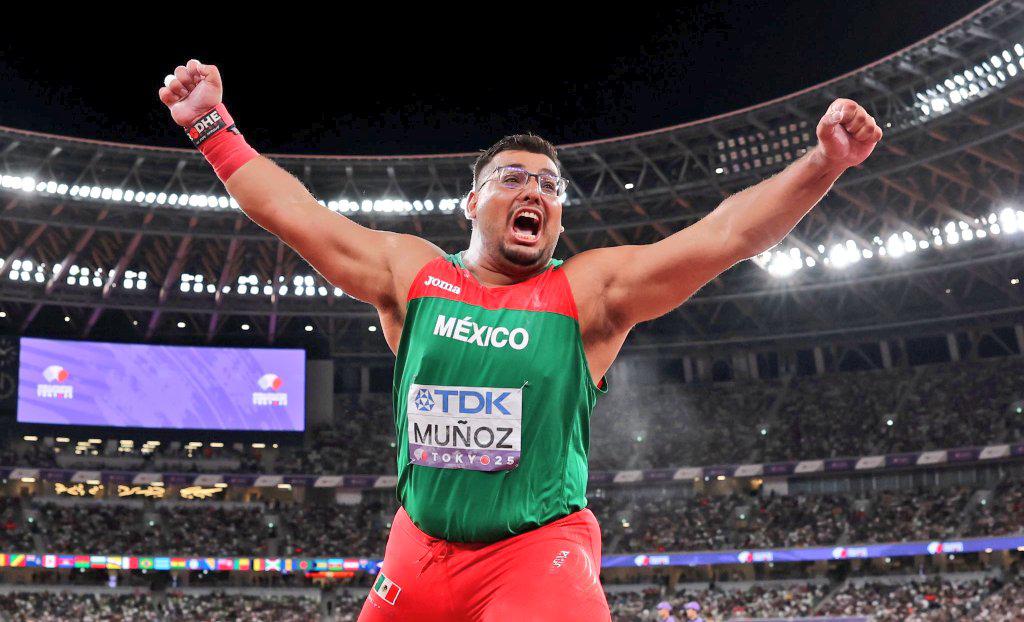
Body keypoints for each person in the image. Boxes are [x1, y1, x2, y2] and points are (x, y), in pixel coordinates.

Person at [158, 58, 882, 621]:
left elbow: (724, 236)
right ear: (472, 202)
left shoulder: (589, 293)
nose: (536, 190)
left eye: (551, 186)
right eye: (513, 178)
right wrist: (212, 126)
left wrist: (823, 165)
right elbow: (294, 212)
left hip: (533, 554)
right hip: (418, 551)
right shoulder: (412, 274)